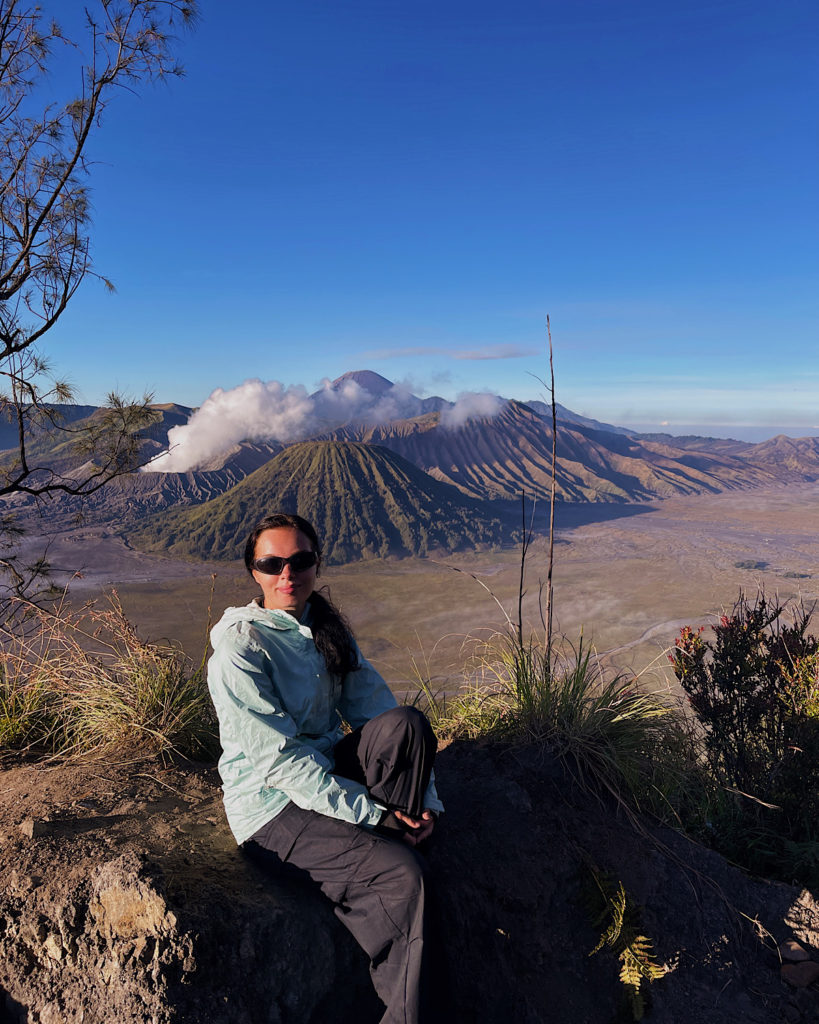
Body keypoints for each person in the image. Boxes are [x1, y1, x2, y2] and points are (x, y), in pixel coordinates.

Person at [207, 512, 444, 1024]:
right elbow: (280, 762)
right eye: (272, 563)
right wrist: (374, 816)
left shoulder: (323, 627)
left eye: (300, 560)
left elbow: (378, 713)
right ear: (254, 571)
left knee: (406, 724)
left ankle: (407, 834)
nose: (287, 573)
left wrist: (426, 802)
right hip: (271, 808)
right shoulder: (240, 647)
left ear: (317, 563)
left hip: (321, 775)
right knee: (402, 876)